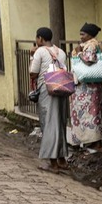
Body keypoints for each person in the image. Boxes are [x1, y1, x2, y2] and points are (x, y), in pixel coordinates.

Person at [29, 27, 69, 173]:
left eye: (37, 38)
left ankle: (53, 163)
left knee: (49, 123)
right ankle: (62, 159)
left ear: (40, 38)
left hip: (47, 90)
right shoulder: (61, 52)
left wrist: (32, 56)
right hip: (61, 88)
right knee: (59, 123)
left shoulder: (40, 51)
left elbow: (33, 73)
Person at [69, 22, 102, 149]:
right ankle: (93, 141)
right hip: (89, 87)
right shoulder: (91, 44)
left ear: (90, 35)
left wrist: (79, 53)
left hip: (88, 88)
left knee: (89, 115)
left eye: (83, 34)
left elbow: (89, 61)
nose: (81, 36)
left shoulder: (91, 45)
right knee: (90, 114)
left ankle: (95, 142)